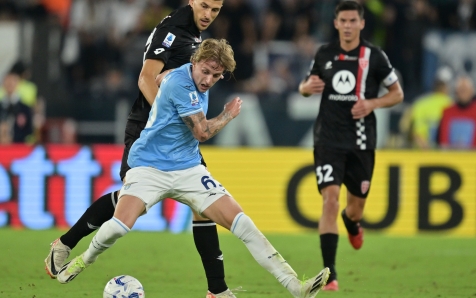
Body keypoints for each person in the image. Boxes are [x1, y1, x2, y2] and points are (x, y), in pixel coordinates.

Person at [56, 38, 330, 298]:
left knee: (243, 223)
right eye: (206, 72)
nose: (208, 80)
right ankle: (83, 260)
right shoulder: (181, 85)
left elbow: (160, 78)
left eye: (216, 75)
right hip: (149, 166)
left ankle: (296, 286)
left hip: (188, 168)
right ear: (196, 61)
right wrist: (227, 114)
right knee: (118, 227)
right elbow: (202, 132)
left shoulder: (181, 75)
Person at [45, 1, 234, 297]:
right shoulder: (173, 29)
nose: (209, 14)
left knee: (203, 205)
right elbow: (146, 78)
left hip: (176, 136)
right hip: (150, 128)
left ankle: (217, 290)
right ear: (192, 1)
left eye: (216, 9)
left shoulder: (194, 33)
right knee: (128, 201)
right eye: (205, 6)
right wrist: (168, 117)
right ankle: (66, 244)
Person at [298, 0, 403, 292]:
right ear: (335, 23)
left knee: (354, 209)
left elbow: (397, 94)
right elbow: (305, 86)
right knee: (329, 200)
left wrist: (372, 103)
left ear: (361, 23)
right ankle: (330, 274)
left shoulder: (375, 56)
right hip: (328, 139)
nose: (347, 26)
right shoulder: (324, 53)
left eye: (352, 21)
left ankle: (352, 222)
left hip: (361, 141)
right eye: (342, 21)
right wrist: (305, 89)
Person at [437, 75, 476, 150]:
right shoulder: (447, 112)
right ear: (456, 92)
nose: (463, 93)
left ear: (472, 91)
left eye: (465, 90)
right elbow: (439, 139)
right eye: (461, 90)